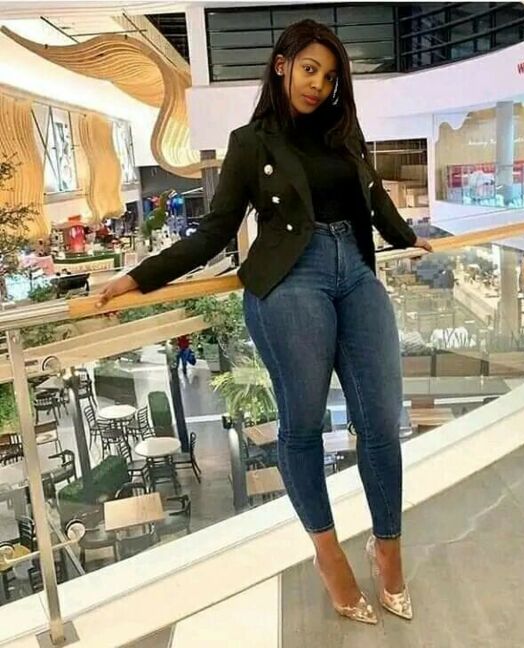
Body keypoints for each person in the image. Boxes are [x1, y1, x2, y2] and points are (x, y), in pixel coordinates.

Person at [96, 19, 431, 625]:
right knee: (302, 426)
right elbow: (215, 231)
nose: (318, 84)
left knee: (382, 421)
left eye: (329, 76)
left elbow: (374, 196)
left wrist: (408, 237)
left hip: (357, 273)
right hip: (290, 279)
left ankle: (388, 549)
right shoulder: (251, 142)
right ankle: (328, 555)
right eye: (309, 69)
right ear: (282, 65)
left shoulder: (344, 132)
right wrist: (139, 276)